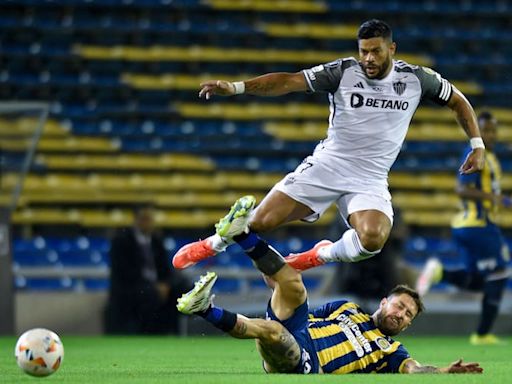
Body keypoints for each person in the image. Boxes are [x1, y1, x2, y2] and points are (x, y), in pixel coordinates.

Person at [172, 19, 484, 272]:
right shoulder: (343, 71)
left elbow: (458, 101)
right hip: (329, 165)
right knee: (260, 223)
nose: (368, 59)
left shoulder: (418, 79)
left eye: (375, 51)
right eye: (363, 51)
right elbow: (289, 81)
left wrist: (477, 144)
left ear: (392, 48)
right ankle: (211, 244)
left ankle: (319, 255)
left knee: (372, 240)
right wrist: (237, 87)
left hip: (370, 178)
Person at [175, 205, 482, 374]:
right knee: (293, 283)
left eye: (407, 314)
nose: (401, 314)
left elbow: (413, 371)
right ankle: (242, 235)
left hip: (308, 362)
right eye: (399, 306)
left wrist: (443, 372)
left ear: (409, 324)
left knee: (273, 332)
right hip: (299, 330)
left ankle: (203, 309)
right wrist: (280, 285)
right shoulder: (347, 308)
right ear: (384, 302)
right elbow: (306, 314)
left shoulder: (390, 352)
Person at [416, 111, 510, 345]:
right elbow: (462, 189)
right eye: (485, 129)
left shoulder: (491, 158)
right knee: (499, 274)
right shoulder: (476, 154)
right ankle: (482, 334)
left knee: (478, 280)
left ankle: (440, 273)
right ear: (476, 131)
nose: (490, 134)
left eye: (493, 129)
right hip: (479, 227)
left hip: (469, 226)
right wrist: (495, 199)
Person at [105, 204, 190, 334]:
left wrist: (166, 284)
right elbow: (124, 273)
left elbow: (165, 269)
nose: (147, 222)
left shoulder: (156, 240)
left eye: (149, 219)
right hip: (132, 287)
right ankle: (149, 332)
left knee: (182, 289)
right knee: (148, 294)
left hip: (156, 286)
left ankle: (175, 333)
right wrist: (154, 286)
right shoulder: (122, 241)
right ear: (136, 220)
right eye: (144, 218)